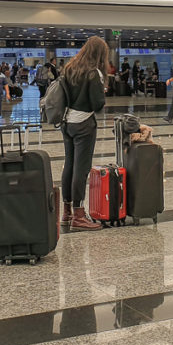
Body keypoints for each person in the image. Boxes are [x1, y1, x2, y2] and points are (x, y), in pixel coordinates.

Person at [59, 36, 109, 231]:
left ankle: (66, 212)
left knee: (69, 166)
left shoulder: (70, 68)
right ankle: (79, 215)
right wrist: (102, 89)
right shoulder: (93, 73)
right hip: (83, 125)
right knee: (81, 168)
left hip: (67, 123)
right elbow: (97, 105)